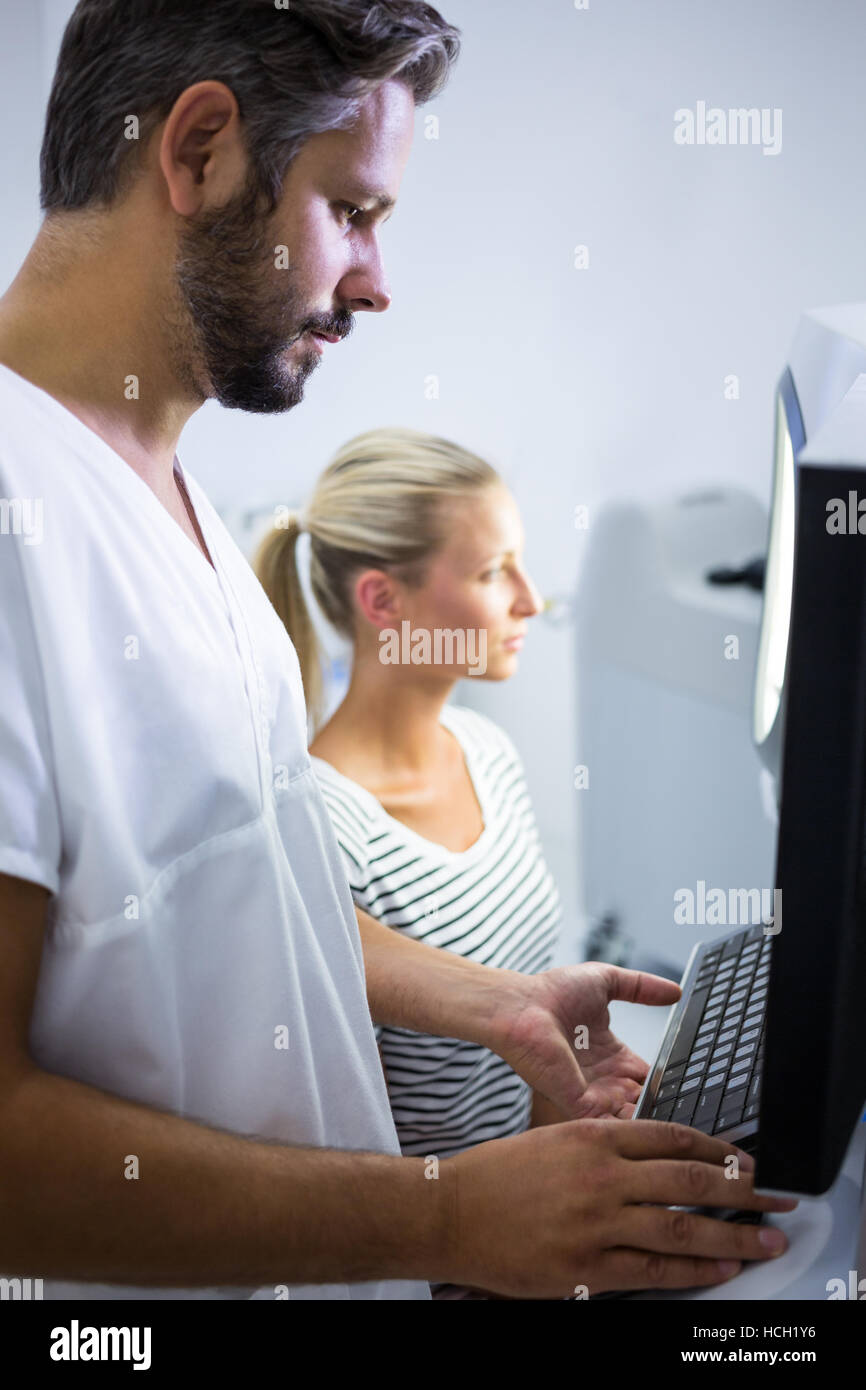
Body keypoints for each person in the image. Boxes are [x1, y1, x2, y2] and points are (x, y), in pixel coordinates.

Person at [0, 0, 795, 1303]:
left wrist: (496, 1002)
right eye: (354, 212)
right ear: (196, 150)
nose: (375, 279)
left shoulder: (163, 487)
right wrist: (443, 1216)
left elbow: (232, 886)